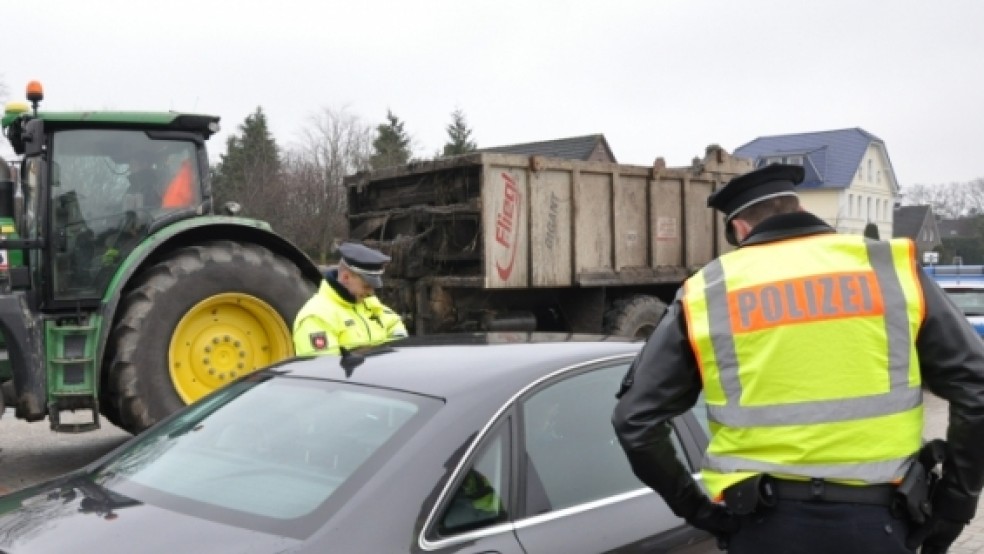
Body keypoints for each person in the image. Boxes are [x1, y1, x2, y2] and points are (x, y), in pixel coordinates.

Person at [611, 163, 984, 553]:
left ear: (739, 229)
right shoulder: (888, 269)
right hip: (879, 524)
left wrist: (701, 513)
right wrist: (954, 506)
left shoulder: (708, 292)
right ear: (799, 208)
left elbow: (634, 420)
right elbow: (975, 387)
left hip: (763, 528)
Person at [292, 242, 408, 356]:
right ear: (346, 277)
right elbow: (325, 369)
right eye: (366, 286)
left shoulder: (367, 302)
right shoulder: (316, 317)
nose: (371, 292)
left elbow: (394, 325)